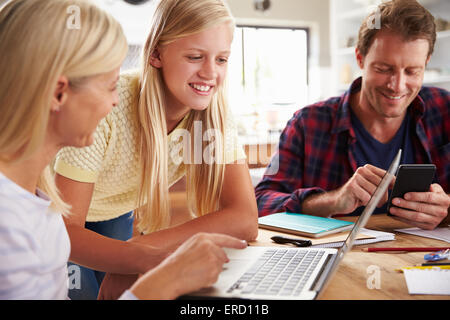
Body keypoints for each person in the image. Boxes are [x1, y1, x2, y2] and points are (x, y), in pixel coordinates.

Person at [0, 0, 246, 300]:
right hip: (70, 214)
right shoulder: (16, 225)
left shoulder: (33, 211)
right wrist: (149, 266)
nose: (115, 101)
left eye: (222, 59)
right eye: (110, 85)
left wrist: (142, 257)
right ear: (59, 93)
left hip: (111, 213)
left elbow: (243, 216)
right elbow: (64, 229)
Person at [255, 0, 449, 231]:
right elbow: (260, 203)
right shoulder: (307, 123)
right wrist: (332, 201)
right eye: (383, 69)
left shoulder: (444, 110)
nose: (397, 86)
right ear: (360, 58)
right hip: (337, 263)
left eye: (412, 71)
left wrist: (445, 209)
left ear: (426, 63)